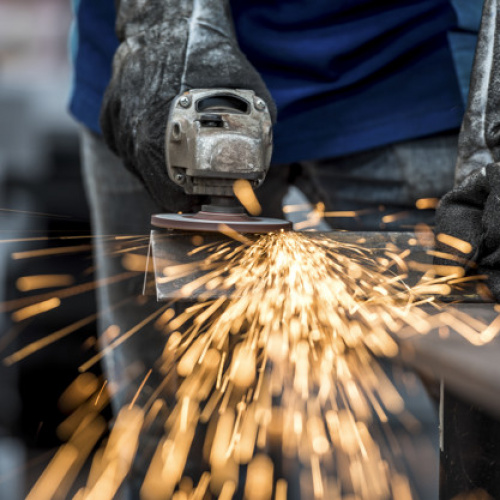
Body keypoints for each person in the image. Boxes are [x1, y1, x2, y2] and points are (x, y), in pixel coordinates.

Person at [69, 0, 496, 497]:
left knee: (464, 433)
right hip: (156, 86)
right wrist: (161, 25)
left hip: (400, 61)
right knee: (176, 441)